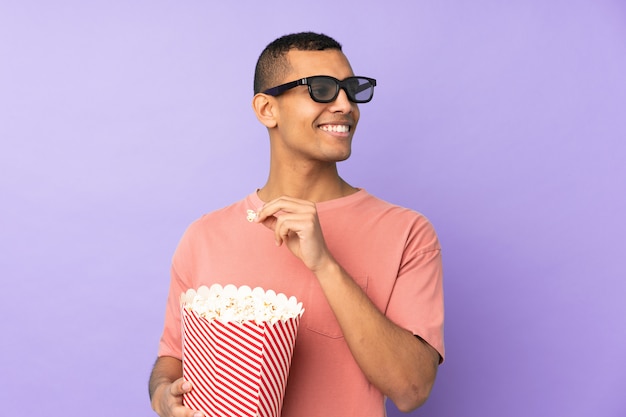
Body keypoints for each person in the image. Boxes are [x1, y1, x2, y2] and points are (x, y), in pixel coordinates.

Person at [149, 31, 444, 417]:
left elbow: (412, 389)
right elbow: (172, 359)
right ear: (266, 109)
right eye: (321, 89)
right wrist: (163, 396)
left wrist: (326, 265)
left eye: (351, 89)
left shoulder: (407, 232)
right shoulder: (203, 237)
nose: (345, 105)